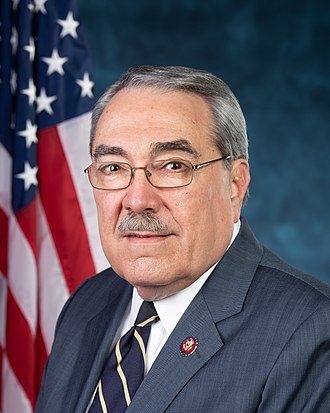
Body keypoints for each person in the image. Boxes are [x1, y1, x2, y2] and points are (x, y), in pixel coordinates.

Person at [36, 66, 330, 413]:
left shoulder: (310, 332)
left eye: (173, 166)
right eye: (114, 167)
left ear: (235, 185)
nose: (137, 199)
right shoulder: (87, 304)